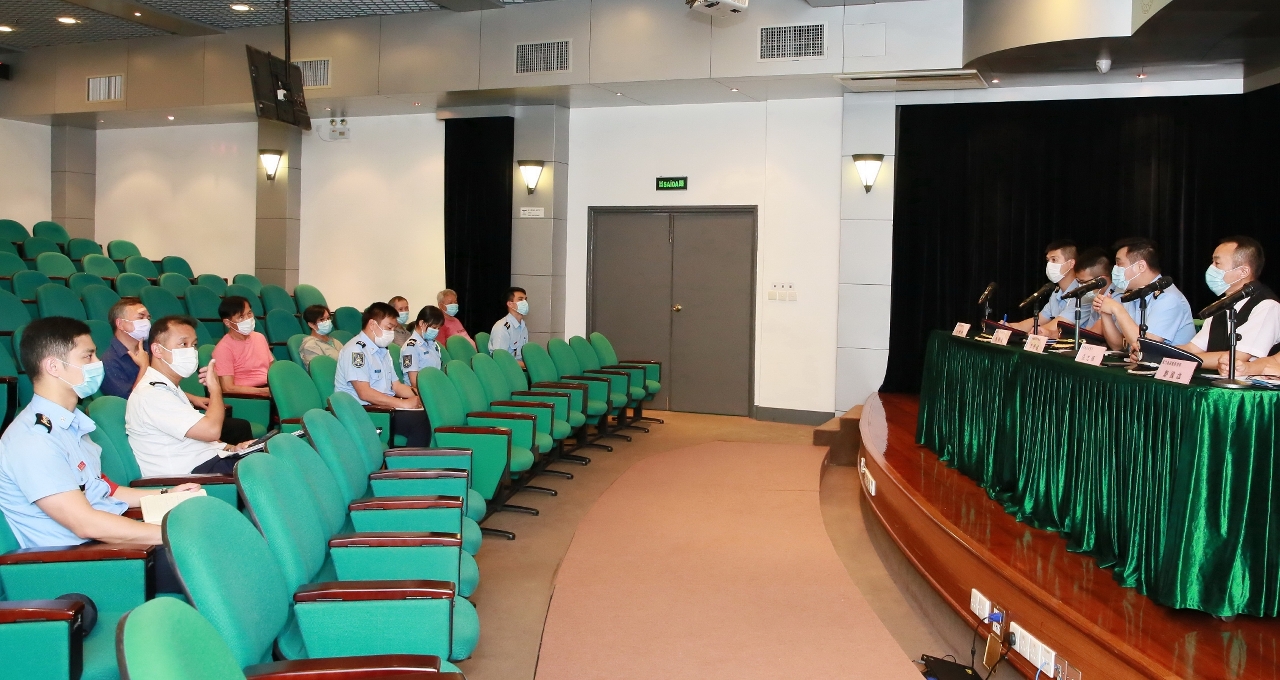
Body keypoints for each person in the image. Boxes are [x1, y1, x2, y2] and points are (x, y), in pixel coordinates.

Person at [0, 317, 199, 593]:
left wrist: (166, 495)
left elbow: (104, 489)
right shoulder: (33, 439)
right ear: (53, 367)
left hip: (108, 543)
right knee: (207, 555)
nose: (98, 363)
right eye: (88, 356)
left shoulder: (70, 424)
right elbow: (85, 524)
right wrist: (171, 535)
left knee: (207, 528)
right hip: (82, 565)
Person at [126, 316, 256, 477]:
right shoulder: (152, 394)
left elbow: (202, 438)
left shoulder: (169, 388)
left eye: (193, 345)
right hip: (188, 474)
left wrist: (232, 448)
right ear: (158, 350)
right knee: (268, 467)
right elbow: (211, 431)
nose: (191, 351)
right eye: (183, 344)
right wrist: (215, 389)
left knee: (269, 454)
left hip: (207, 461)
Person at [1171, 237, 1280, 375]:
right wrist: (1160, 354)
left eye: (1217, 263)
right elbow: (1193, 348)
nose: (1211, 268)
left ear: (1243, 271)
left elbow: (1237, 358)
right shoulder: (1222, 305)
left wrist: (1179, 359)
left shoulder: (1266, 305)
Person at [334, 302, 429, 446]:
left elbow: (396, 386)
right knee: (420, 421)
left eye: (393, 328)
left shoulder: (382, 351)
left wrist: (421, 397)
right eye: (389, 328)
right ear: (373, 324)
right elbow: (364, 393)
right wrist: (403, 404)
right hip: (363, 411)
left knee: (430, 412)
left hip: (385, 407)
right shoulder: (356, 350)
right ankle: (408, 460)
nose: (392, 332)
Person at [1093, 238, 1196, 352]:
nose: (1115, 269)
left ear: (1141, 266)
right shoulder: (1134, 294)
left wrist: (1117, 309)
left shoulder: (1168, 297)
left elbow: (1146, 348)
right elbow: (1118, 346)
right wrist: (1105, 313)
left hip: (1170, 362)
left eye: (1119, 264)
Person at [1010, 241, 1078, 335]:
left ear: (1071, 263)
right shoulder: (1056, 293)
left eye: (1054, 260)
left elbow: (1057, 326)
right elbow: (1039, 320)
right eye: (1048, 260)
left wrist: (1034, 332)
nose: (1049, 265)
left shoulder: (1081, 294)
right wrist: (1009, 327)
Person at [211, 296, 272, 396]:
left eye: (249, 313)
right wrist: (264, 392)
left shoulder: (259, 337)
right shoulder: (223, 349)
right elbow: (228, 388)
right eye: (241, 317)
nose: (248, 319)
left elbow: (272, 366)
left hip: (269, 387)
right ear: (227, 322)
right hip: (247, 395)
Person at [1047, 248, 1112, 337]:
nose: (1080, 286)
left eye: (1083, 282)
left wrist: (1050, 333)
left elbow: (1094, 335)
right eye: (1078, 281)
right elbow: (1089, 334)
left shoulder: (1115, 296)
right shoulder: (1096, 297)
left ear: (1101, 281)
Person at [100, 297, 153, 399]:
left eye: (148, 318)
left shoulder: (152, 349)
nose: (147, 322)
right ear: (120, 324)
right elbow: (131, 401)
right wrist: (144, 366)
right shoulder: (109, 362)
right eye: (141, 317)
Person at [401, 305, 445, 391]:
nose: (436, 331)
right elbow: (414, 382)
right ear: (421, 323)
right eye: (434, 327)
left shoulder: (432, 344)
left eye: (438, 328)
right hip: (422, 392)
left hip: (435, 387)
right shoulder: (410, 347)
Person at [489, 287, 530, 366]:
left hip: (520, 367)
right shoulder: (502, 327)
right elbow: (501, 359)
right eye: (520, 299)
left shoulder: (523, 326)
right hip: (508, 369)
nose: (525, 302)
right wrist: (528, 365)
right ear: (510, 304)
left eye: (525, 299)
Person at [299, 305, 342, 369]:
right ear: (311, 324)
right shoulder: (310, 346)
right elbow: (321, 369)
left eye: (328, 318)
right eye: (322, 319)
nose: (327, 322)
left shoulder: (334, 341)